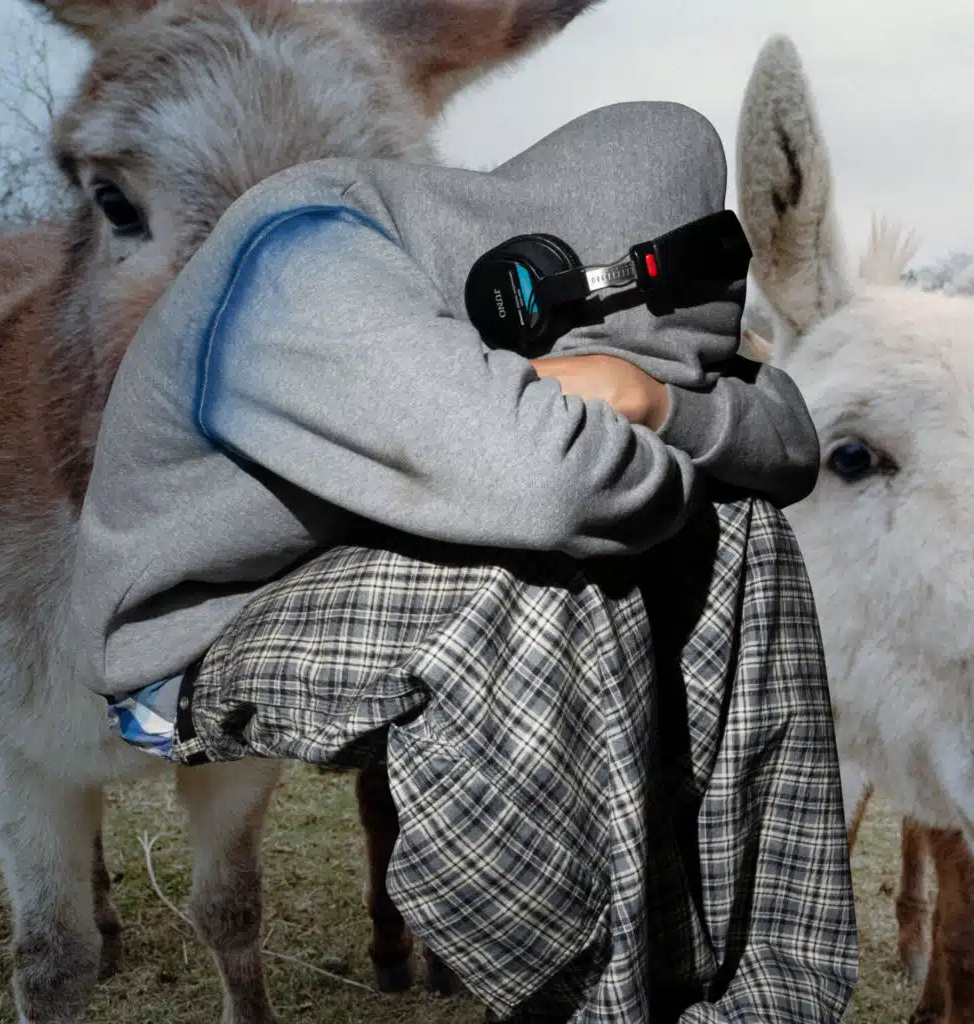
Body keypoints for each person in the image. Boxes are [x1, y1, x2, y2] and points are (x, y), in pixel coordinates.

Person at [71, 102, 857, 1021]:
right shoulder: (301, 257)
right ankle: (587, 998)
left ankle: (760, 994)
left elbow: (790, 441)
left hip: (371, 558)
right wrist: (656, 460)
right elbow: (550, 487)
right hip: (190, 635)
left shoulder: (512, 289)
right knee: (555, 570)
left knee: (741, 528)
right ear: (531, 286)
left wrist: (653, 405)